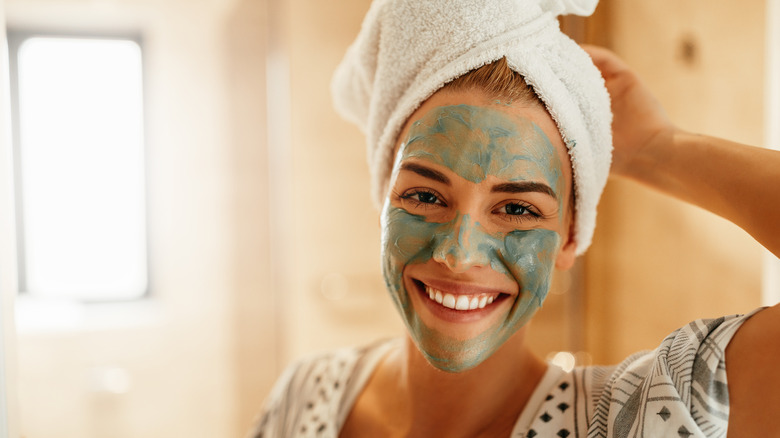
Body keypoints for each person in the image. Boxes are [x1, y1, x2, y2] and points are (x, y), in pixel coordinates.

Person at [249, 1, 780, 436]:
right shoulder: (306, 393)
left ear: (569, 237)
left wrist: (658, 149)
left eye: (517, 209)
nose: (459, 255)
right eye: (426, 196)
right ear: (385, 202)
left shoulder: (639, 420)